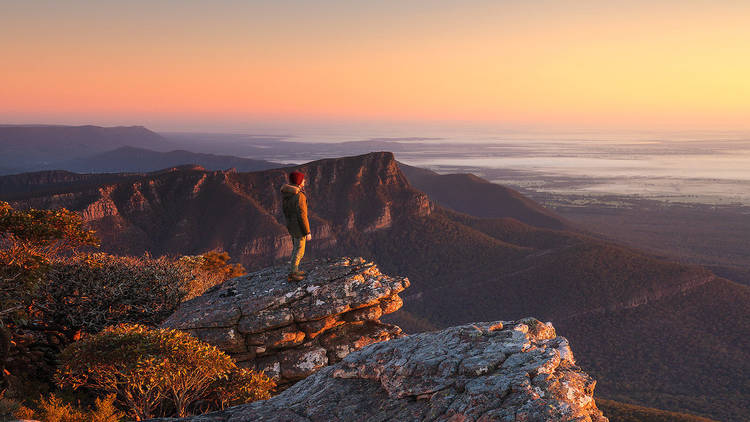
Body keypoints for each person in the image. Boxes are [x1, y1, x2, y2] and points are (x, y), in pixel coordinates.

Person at [281, 170, 311, 282]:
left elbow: (286, 211)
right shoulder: (299, 196)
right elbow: (303, 215)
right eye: (303, 179)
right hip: (298, 228)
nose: (305, 181)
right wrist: (307, 232)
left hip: (291, 225)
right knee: (299, 250)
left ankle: (295, 270)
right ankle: (293, 273)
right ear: (299, 181)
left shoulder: (287, 194)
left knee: (295, 248)